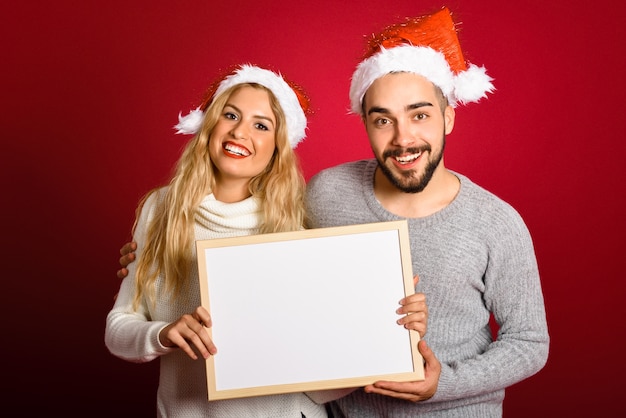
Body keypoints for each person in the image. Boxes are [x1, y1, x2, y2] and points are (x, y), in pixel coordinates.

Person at [105, 64, 429, 417]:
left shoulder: (293, 227)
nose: (241, 132)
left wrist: (386, 327)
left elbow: (318, 381)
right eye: (231, 115)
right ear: (209, 125)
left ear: (277, 146)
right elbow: (119, 331)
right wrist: (164, 334)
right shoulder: (160, 211)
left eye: (261, 125)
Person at [304, 6, 550, 417]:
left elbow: (529, 342)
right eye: (384, 120)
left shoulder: (495, 221)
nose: (404, 139)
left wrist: (445, 382)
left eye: (419, 115)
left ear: (448, 117)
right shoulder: (326, 192)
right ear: (365, 123)